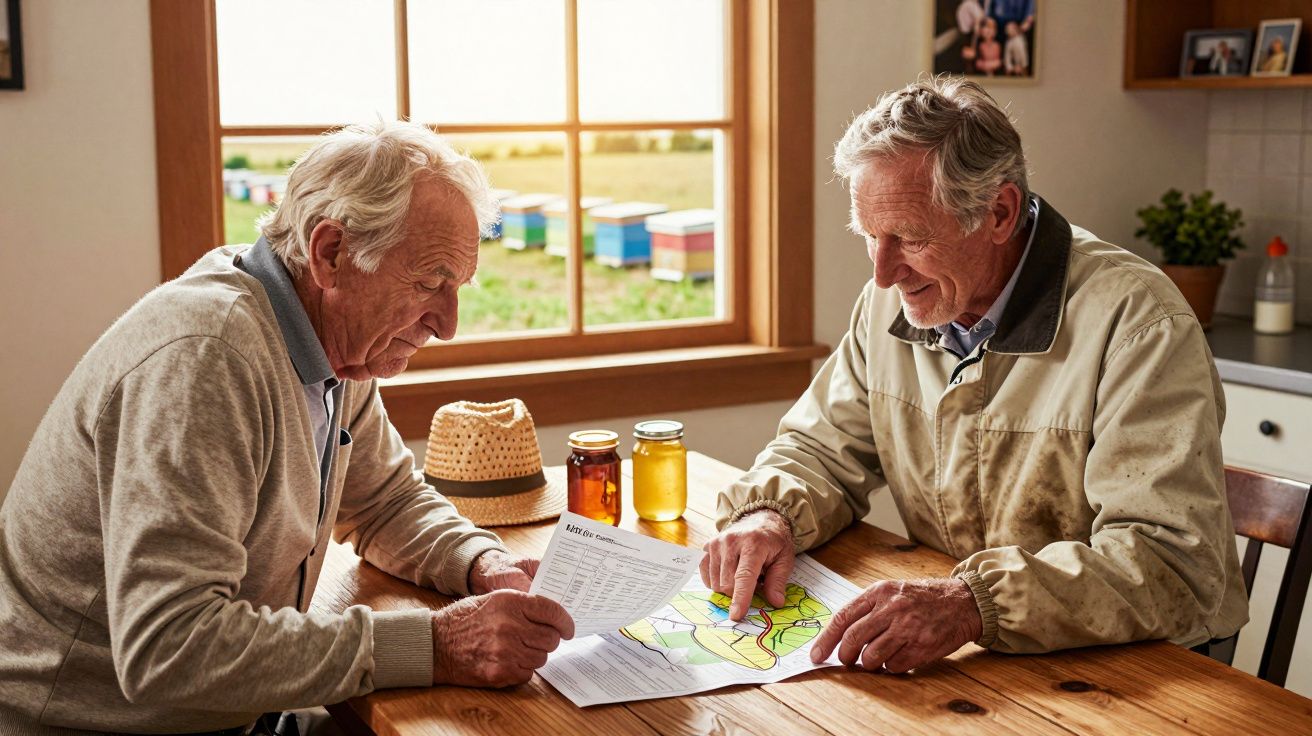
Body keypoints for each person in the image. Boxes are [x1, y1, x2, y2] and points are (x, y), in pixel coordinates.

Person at [0, 121, 575, 733]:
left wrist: (483, 562)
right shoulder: (207, 359)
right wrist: (437, 644)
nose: (448, 323)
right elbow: (169, 646)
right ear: (330, 253)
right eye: (430, 283)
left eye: (457, 288)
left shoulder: (333, 343)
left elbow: (384, 500)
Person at [701, 77, 1247, 674]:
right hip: (984, 652)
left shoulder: (1140, 321)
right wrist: (767, 514)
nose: (884, 274)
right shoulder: (890, 303)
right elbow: (820, 449)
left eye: (910, 238)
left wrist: (970, 602)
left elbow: (1168, 564)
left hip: (1146, 668)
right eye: (869, 238)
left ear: (1000, 212)